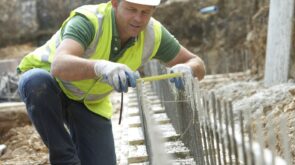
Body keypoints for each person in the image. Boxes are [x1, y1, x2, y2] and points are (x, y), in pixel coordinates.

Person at [17, 0, 206, 164]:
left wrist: (187, 69)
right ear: (115, 3)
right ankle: (65, 159)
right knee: (37, 83)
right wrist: (101, 67)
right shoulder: (89, 21)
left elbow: (197, 62)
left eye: (145, 12)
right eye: (132, 9)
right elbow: (59, 65)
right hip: (52, 85)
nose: (138, 19)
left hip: (89, 103)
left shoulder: (153, 34)